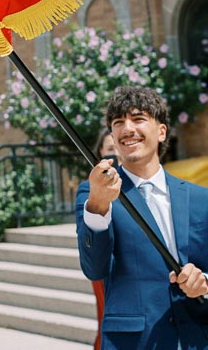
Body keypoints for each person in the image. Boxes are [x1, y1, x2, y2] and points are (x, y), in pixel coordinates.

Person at [77, 86, 208, 349]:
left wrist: (207, 284)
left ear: (162, 131)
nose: (127, 128)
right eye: (118, 123)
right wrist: (97, 205)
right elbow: (94, 269)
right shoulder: (95, 194)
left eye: (138, 118)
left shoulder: (202, 199)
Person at [89, 126, 119, 350]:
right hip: (106, 263)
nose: (115, 154)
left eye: (118, 148)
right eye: (109, 149)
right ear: (100, 153)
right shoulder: (91, 189)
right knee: (106, 316)